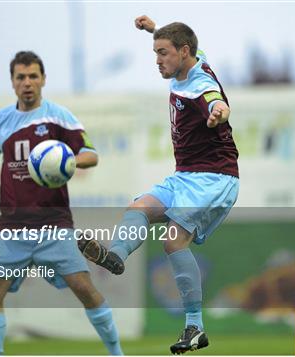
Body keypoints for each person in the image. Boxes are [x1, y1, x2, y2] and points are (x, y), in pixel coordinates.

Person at [78, 15, 239, 354]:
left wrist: (219, 111)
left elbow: (216, 100)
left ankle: (195, 326)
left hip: (215, 177)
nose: (157, 61)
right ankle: (115, 258)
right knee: (138, 209)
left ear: (183, 52)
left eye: (163, 53)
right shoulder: (192, 60)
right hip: (184, 176)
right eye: (155, 53)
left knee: (173, 242)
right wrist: (155, 30)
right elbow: (185, 42)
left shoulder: (201, 85)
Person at [0, 51, 123, 355]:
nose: (28, 83)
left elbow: (91, 154)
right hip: (12, 228)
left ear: (43, 79)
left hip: (54, 224)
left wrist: (66, 160)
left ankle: (116, 352)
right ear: (12, 82)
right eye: (21, 77)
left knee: (84, 288)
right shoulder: (2, 121)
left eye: (33, 76)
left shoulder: (58, 115)